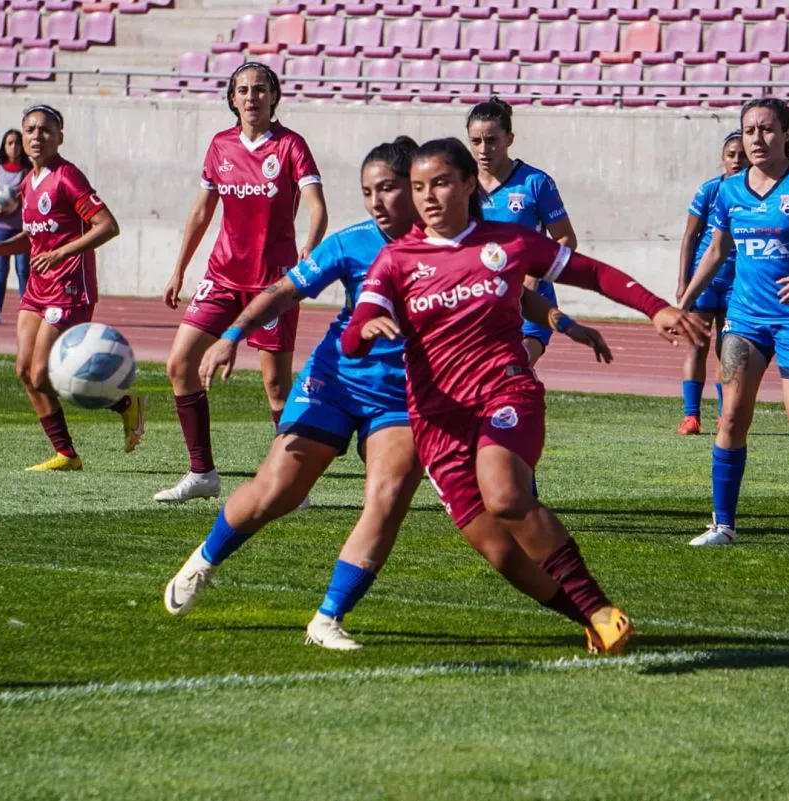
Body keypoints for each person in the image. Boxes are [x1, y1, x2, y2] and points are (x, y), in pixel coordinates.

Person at [162, 137, 615, 651]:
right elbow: (284, 291)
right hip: (335, 381)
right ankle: (205, 559)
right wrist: (232, 335)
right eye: (367, 191)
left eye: (388, 189)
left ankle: (328, 618)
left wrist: (558, 319)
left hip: (403, 396)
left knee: (386, 499)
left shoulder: (457, 240)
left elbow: (510, 285)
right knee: (275, 493)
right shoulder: (353, 243)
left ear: (415, 190)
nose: (377, 202)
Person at [339, 138, 707, 655]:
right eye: (418, 187)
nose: (428, 197)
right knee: (500, 552)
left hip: (504, 392)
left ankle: (602, 611)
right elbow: (352, 335)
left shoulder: (508, 243)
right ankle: (594, 619)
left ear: (469, 184)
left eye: (440, 183)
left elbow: (592, 272)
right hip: (437, 420)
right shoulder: (396, 260)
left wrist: (656, 308)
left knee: (507, 495)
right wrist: (366, 328)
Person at [680, 98, 789, 549]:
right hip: (745, 316)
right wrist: (683, 301)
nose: (757, 138)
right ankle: (723, 524)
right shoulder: (730, 190)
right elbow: (716, 251)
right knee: (732, 416)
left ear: (787, 134)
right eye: (750, 130)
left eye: (767, 129)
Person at [155, 62, 328, 505]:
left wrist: (310, 244)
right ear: (232, 99)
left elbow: (315, 204)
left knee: (275, 386)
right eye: (243, 90)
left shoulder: (291, 146)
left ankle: (294, 482)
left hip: (273, 284)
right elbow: (201, 212)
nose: (251, 97)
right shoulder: (220, 146)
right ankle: (202, 473)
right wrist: (179, 268)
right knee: (180, 364)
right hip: (222, 276)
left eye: (260, 89)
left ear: (274, 96)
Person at [0, 104, 147, 471]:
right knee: (23, 372)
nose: (36, 136)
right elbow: (35, 237)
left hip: (69, 288)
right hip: (38, 287)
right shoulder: (28, 183)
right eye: (30, 129)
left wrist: (61, 253)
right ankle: (67, 454)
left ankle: (125, 403)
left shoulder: (67, 177)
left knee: (40, 373)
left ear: (60, 137)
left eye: (45, 130)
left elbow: (107, 226)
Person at [466, 96, 578, 368]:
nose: (484, 149)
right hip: (478, 299)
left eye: (492, 140)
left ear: (509, 139)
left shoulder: (535, 183)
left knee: (513, 367)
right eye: (476, 141)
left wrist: (532, 275)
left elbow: (566, 239)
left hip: (529, 304)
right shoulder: (463, 184)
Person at [675, 131, 749, 435]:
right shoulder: (709, 190)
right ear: (722, 157)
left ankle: (724, 415)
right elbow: (690, 236)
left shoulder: (758, 193)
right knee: (696, 347)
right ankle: (691, 416)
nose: (736, 160)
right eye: (731, 154)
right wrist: (683, 281)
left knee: (727, 350)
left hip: (738, 284)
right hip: (706, 281)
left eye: (741, 154)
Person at [0, 129, 32, 326]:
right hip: (0, 228)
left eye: (17, 143)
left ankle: (27, 311)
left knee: (23, 270)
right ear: (4, 146)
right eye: (10, 143)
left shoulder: (28, 169)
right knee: (1, 270)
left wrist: (19, 203)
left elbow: (32, 196)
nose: (14, 147)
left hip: (21, 229)